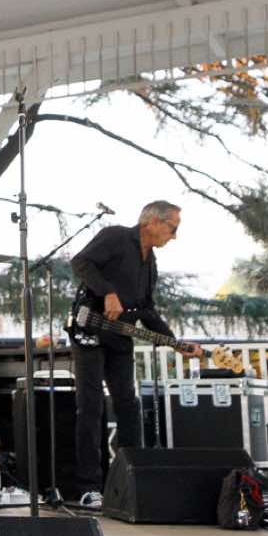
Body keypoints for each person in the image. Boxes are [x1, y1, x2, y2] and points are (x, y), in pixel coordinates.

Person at [67, 201, 198, 508]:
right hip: (90, 330)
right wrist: (108, 292)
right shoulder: (115, 236)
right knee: (91, 407)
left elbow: (146, 310)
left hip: (120, 338)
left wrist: (175, 343)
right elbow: (80, 262)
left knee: (128, 405)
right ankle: (88, 487)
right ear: (152, 222)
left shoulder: (150, 262)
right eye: (172, 228)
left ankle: (128, 481)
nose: (174, 236)